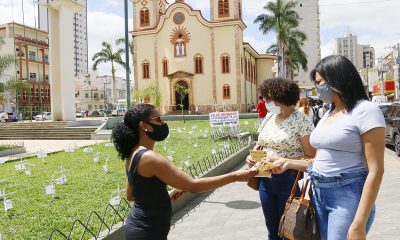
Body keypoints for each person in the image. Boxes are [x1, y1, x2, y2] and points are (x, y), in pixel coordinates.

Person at [265, 55, 385, 240]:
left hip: (346, 194)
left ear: (336, 78)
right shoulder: (329, 113)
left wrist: (359, 223)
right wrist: (287, 163)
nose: (317, 88)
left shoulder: (366, 111)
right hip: (318, 193)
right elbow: (319, 161)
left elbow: (375, 171)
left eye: (320, 82)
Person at [111, 103, 257, 240]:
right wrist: (236, 176)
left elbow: (131, 195)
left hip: (139, 227)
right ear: (144, 126)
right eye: (159, 119)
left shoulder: (133, 154)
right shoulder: (149, 158)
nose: (163, 123)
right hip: (148, 232)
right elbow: (194, 186)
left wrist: (165, 197)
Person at [245, 78, 315, 240]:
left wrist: (282, 159)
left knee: (289, 230)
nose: (265, 102)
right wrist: (252, 157)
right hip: (264, 176)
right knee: (272, 229)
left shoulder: (301, 121)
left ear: (281, 97)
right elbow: (261, 144)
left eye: (269, 98)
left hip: (288, 178)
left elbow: (311, 156)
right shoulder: (270, 117)